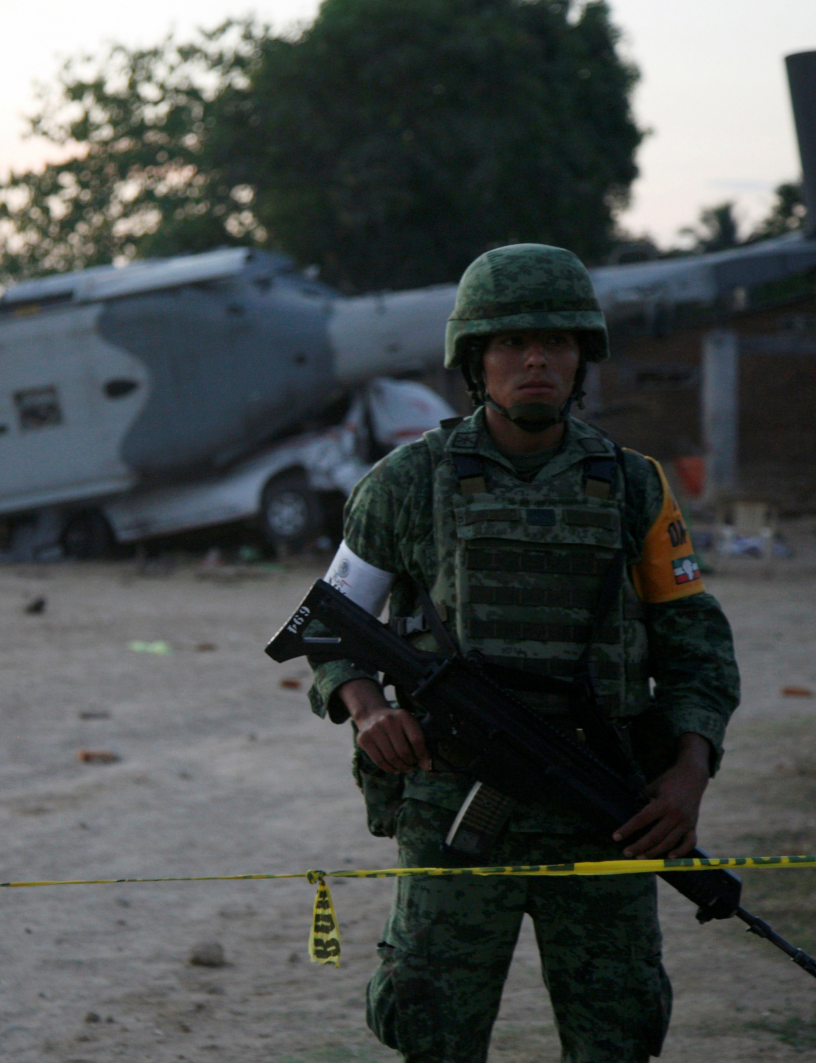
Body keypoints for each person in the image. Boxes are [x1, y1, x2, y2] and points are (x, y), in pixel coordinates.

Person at [307, 243, 740, 1062]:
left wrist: (687, 776)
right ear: (474, 361)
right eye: (510, 342)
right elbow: (328, 626)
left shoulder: (635, 486)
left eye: (557, 340)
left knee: (618, 1030)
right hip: (452, 806)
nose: (534, 357)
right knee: (432, 1027)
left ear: (583, 359)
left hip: (606, 811)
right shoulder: (404, 483)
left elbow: (696, 646)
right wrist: (365, 709)